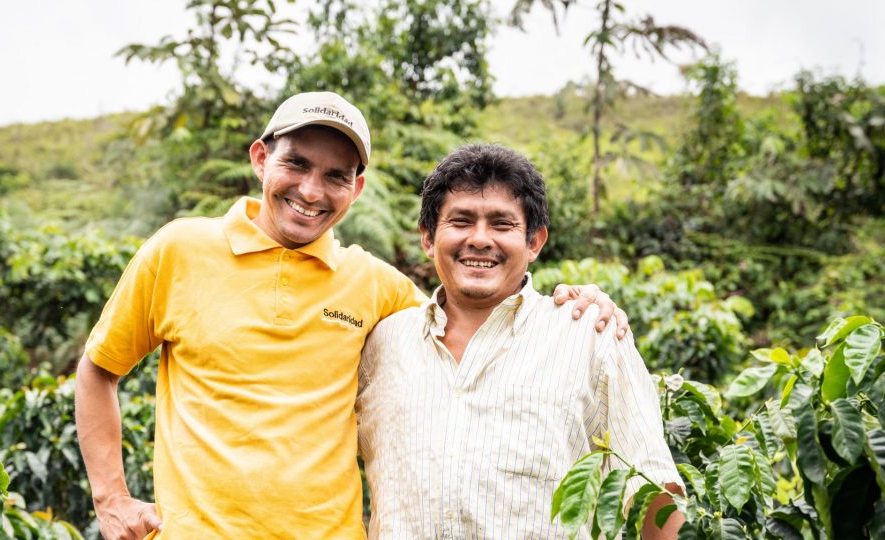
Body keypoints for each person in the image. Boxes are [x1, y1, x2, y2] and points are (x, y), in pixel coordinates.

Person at [75, 92, 630, 539]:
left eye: (337, 175)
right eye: (296, 163)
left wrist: (574, 302)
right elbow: (99, 369)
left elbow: (466, 318)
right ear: (261, 158)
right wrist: (111, 497)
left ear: (356, 188)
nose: (312, 190)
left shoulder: (374, 286)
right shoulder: (177, 251)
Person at [357, 143, 683, 539]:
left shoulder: (590, 335)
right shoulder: (381, 343)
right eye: (460, 221)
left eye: (501, 223)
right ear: (428, 238)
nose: (479, 239)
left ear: (534, 242)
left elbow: (654, 488)